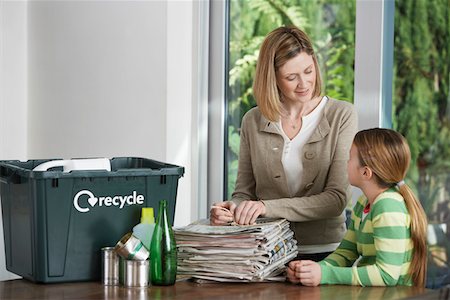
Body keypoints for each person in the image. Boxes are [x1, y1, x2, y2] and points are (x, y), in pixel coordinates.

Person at [210, 25, 358, 262]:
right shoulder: (252, 120)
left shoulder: (342, 115)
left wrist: (265, 208)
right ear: (273, 78)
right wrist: (232, 209)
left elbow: (336, 200)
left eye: (309, 71)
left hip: (326, 255)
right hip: (265, 251)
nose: (304, 83)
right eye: (291, 77)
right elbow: (244, 192)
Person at [287, 128, 428, 287]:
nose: (346, 162)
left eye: (350, 158)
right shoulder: (364, 203)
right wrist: (312, 270)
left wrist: (325, 275)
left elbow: (387, 275)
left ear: (366, 173)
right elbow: (347, 252)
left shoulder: (387, 206)